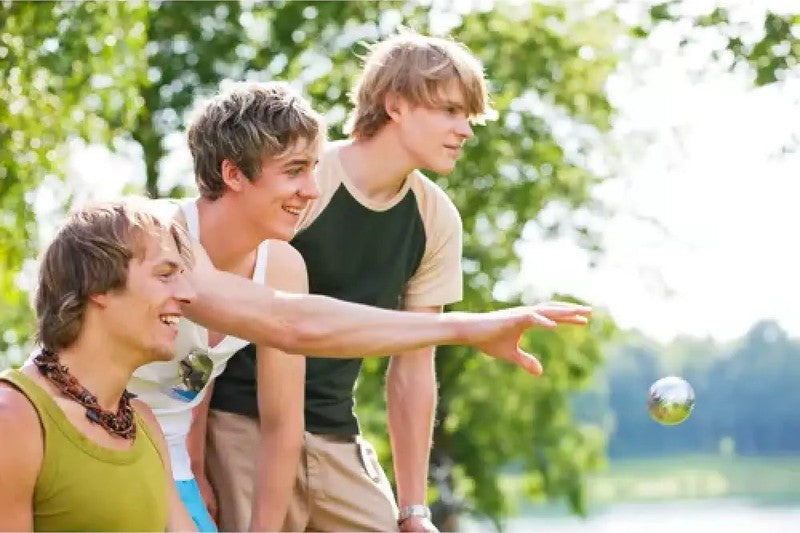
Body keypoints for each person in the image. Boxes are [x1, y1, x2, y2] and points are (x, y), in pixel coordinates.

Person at [128, 80, 589, 531]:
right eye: (294, 171)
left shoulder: (283, 263)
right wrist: (466, 328)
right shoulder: (159, 235)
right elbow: (293, 325)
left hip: (173, 471)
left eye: (312, 169)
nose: (311, 190)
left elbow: (285, 423)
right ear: (233, 174)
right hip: (102, 447)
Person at [0, 200, 197, 531]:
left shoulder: (145, 424)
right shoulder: (14, 419)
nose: (188, 294)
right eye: (165, 275)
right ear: (98, 285)